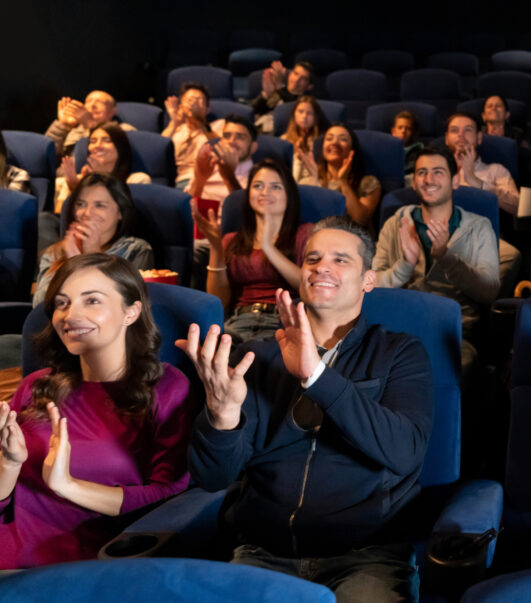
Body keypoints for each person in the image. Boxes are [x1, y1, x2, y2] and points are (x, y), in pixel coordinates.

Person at [179, 216, 431, 601]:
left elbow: (405, 451)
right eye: (312, 259)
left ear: (368, 280)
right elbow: (213, 478)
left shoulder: (399, 352)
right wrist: (222, 417)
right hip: (265, 553)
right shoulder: (256, 357)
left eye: (340, 259)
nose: (321, 267)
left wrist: (317, 376)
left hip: (367, 557)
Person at [1, 253, 191, 569]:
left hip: (78, 564)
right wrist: (8, 465)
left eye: (91, 301)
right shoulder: (37, 385)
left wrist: (68, 486)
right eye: (62, 303)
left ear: (131, 312)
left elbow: (169, 497)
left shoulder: (166, 387)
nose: (70, 314)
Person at [373, 146, 499, 368]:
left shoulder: (479, 227)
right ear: (414, 182)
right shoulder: (396, 223)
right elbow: (373, 288)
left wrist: (446, 257)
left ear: (455, 180)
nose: (428, 179)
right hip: (400, 329)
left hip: (455, 333)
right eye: (421, 172)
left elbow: (489, 291)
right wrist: (404, 266)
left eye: (438, 172)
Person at [193, 159, 312, 343]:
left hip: (283, 323)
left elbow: (309, 287)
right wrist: (216, 249)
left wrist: (268, 248)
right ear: (248, 195)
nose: (265, 192)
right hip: (238, 322)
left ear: (289, 195)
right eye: (258, 186)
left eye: (276, 187)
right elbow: (219, 302)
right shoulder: (231, 240)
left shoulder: (305, 234)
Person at [34, 173, 153, 307]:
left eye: (100, 205)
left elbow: (125, 305)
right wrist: (70, 263)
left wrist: (92, 257)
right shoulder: (55, 252)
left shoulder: (135, 250)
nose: (87, 213)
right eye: (81, 204)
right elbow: (40, 306)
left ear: (121, 212)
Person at [297, 124, 381, 229]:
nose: (334, 143)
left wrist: (343, 181)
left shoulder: (368, 182)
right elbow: (305, 220)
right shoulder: (308, 181)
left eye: (343, 139)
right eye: (329, 139)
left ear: (352, 149)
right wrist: (314, 177)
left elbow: (360, 220)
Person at [55, 122, 152, 212]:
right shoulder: (77, 179)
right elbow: (59, 216)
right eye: (93, 141)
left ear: (120, 147)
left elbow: (121, 214)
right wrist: (73, 189)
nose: (97, 145)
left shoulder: (137, 180)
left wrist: (99, 178)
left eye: (106, 141)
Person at [445, 112, 520, 214]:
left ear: (479, 137)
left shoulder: (496, 170)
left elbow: (517, 206)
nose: (460, 134)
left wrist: (477, 182)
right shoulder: (434, 170)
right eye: (454, 130)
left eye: (468, 130)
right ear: (447, 139)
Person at [161, 83, 225, 189]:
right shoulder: (175, 130)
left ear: (207, 109)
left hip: (211, 180)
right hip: (183, 182)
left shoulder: (217, 126)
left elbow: (219, 147)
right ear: (181, 106)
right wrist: (173, 123)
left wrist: (201, 122)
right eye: (189, 99)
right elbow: (159, 151)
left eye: (199, 100)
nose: (193, 103)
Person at [187, 114, 259, 203]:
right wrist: (200, 180)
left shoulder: (257, 178)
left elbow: (244, 214)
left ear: (253, 147)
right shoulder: (208, 165)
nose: (231, 141)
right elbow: (185, 206)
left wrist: (229, 178)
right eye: (227, 136)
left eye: (240, 137)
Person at [44, 90, 135, 157]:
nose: (92, 105)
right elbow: (45, 155)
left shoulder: (124, 129)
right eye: (88, 101)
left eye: (100, 102)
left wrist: (91, 126)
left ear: (113, 110)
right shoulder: (72, 131)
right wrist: (63, 125)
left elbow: (123, 158)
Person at [251, 61, 315, 132]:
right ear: (290, 74)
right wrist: (265, 95)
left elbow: (287, 113)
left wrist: (280, 87)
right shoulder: (276, 91)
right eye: (295, 74)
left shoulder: (305, 104)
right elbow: (251, 112)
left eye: (303, 78)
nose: (297, 80)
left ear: (309, 86)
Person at [281, 96, 329, 185]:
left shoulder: (323, 141)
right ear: (294, 114)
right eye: (300, 112)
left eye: (309, 113)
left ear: (316, 117)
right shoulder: (284, 140)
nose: (304, 116)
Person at [390, 110, 423, 176]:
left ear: (414, 133)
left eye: (408, 128)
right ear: (393, 132)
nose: (403, 131)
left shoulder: (418, 150)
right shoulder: (387, 148)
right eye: (400, 128)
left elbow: (410, 168)